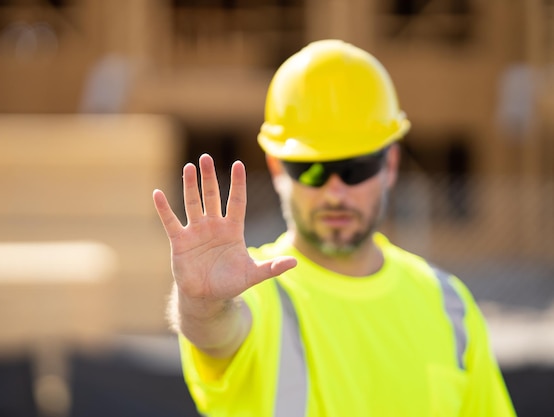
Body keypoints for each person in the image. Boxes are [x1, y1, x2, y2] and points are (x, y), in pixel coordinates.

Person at [152, 39, 516, 417]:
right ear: (277, 168)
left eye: (355, 167)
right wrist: (203, 305)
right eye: (311, 170)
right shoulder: (253, 289)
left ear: (390, 164)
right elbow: (220, 333)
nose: (335, 191)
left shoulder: (449, 305)